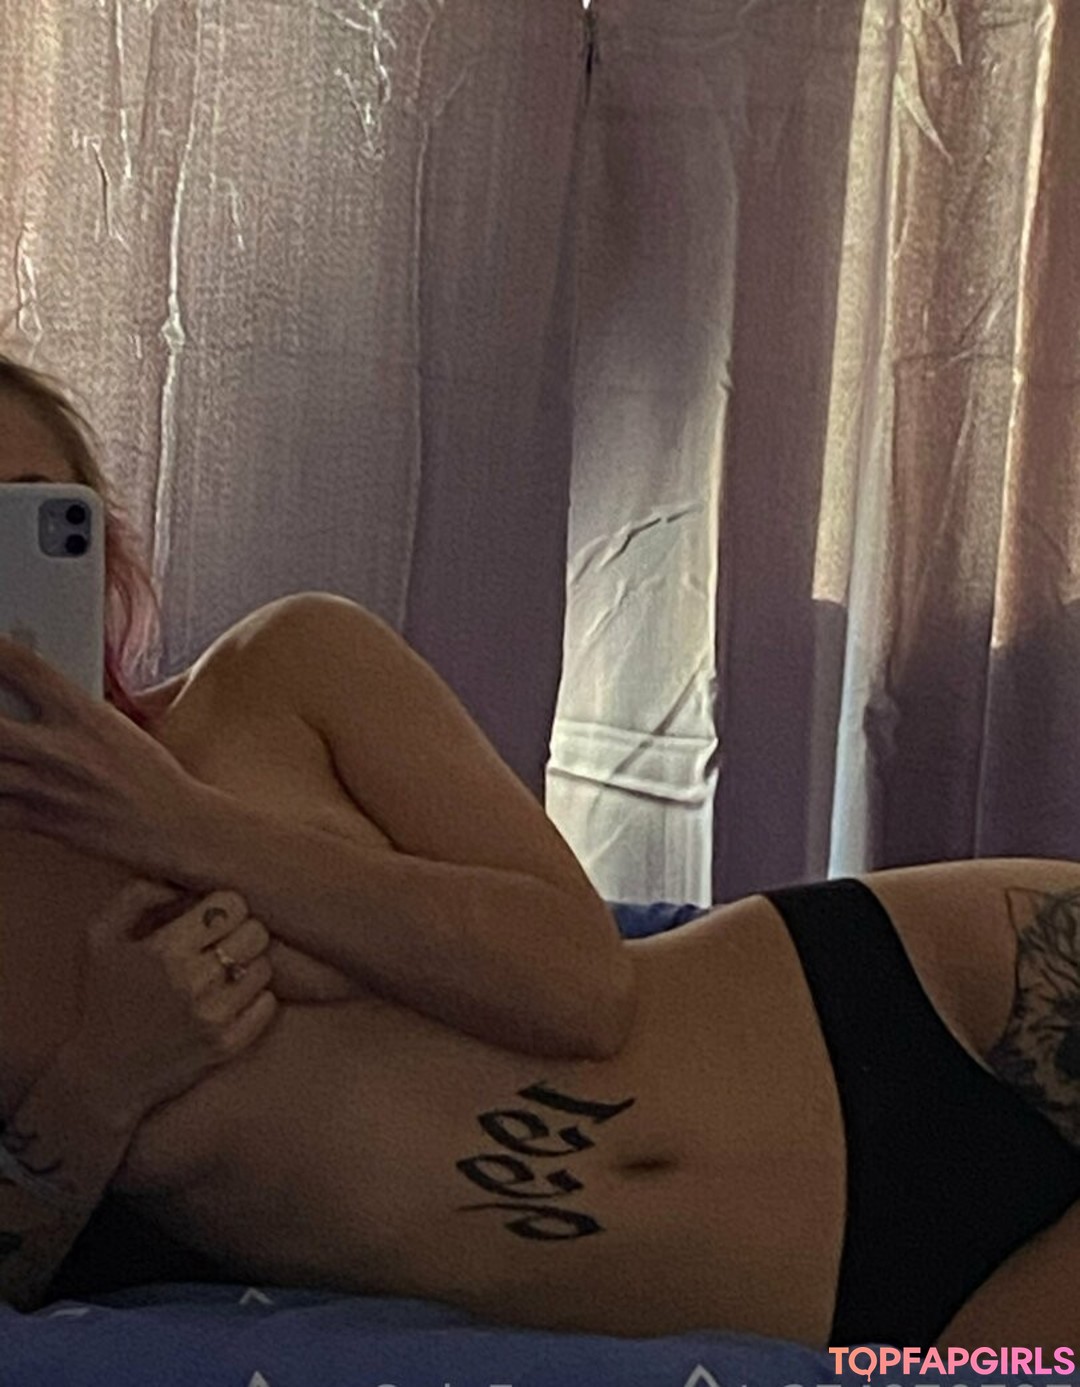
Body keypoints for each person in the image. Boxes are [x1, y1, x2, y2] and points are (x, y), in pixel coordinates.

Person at [0, 353, 1078, 1353]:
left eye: (26, 515)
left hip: (925, 995)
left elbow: (582, 988)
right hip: (835, 1304)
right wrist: (100, 1082)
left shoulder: (286, 671)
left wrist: (184, 824)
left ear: (100, 547)